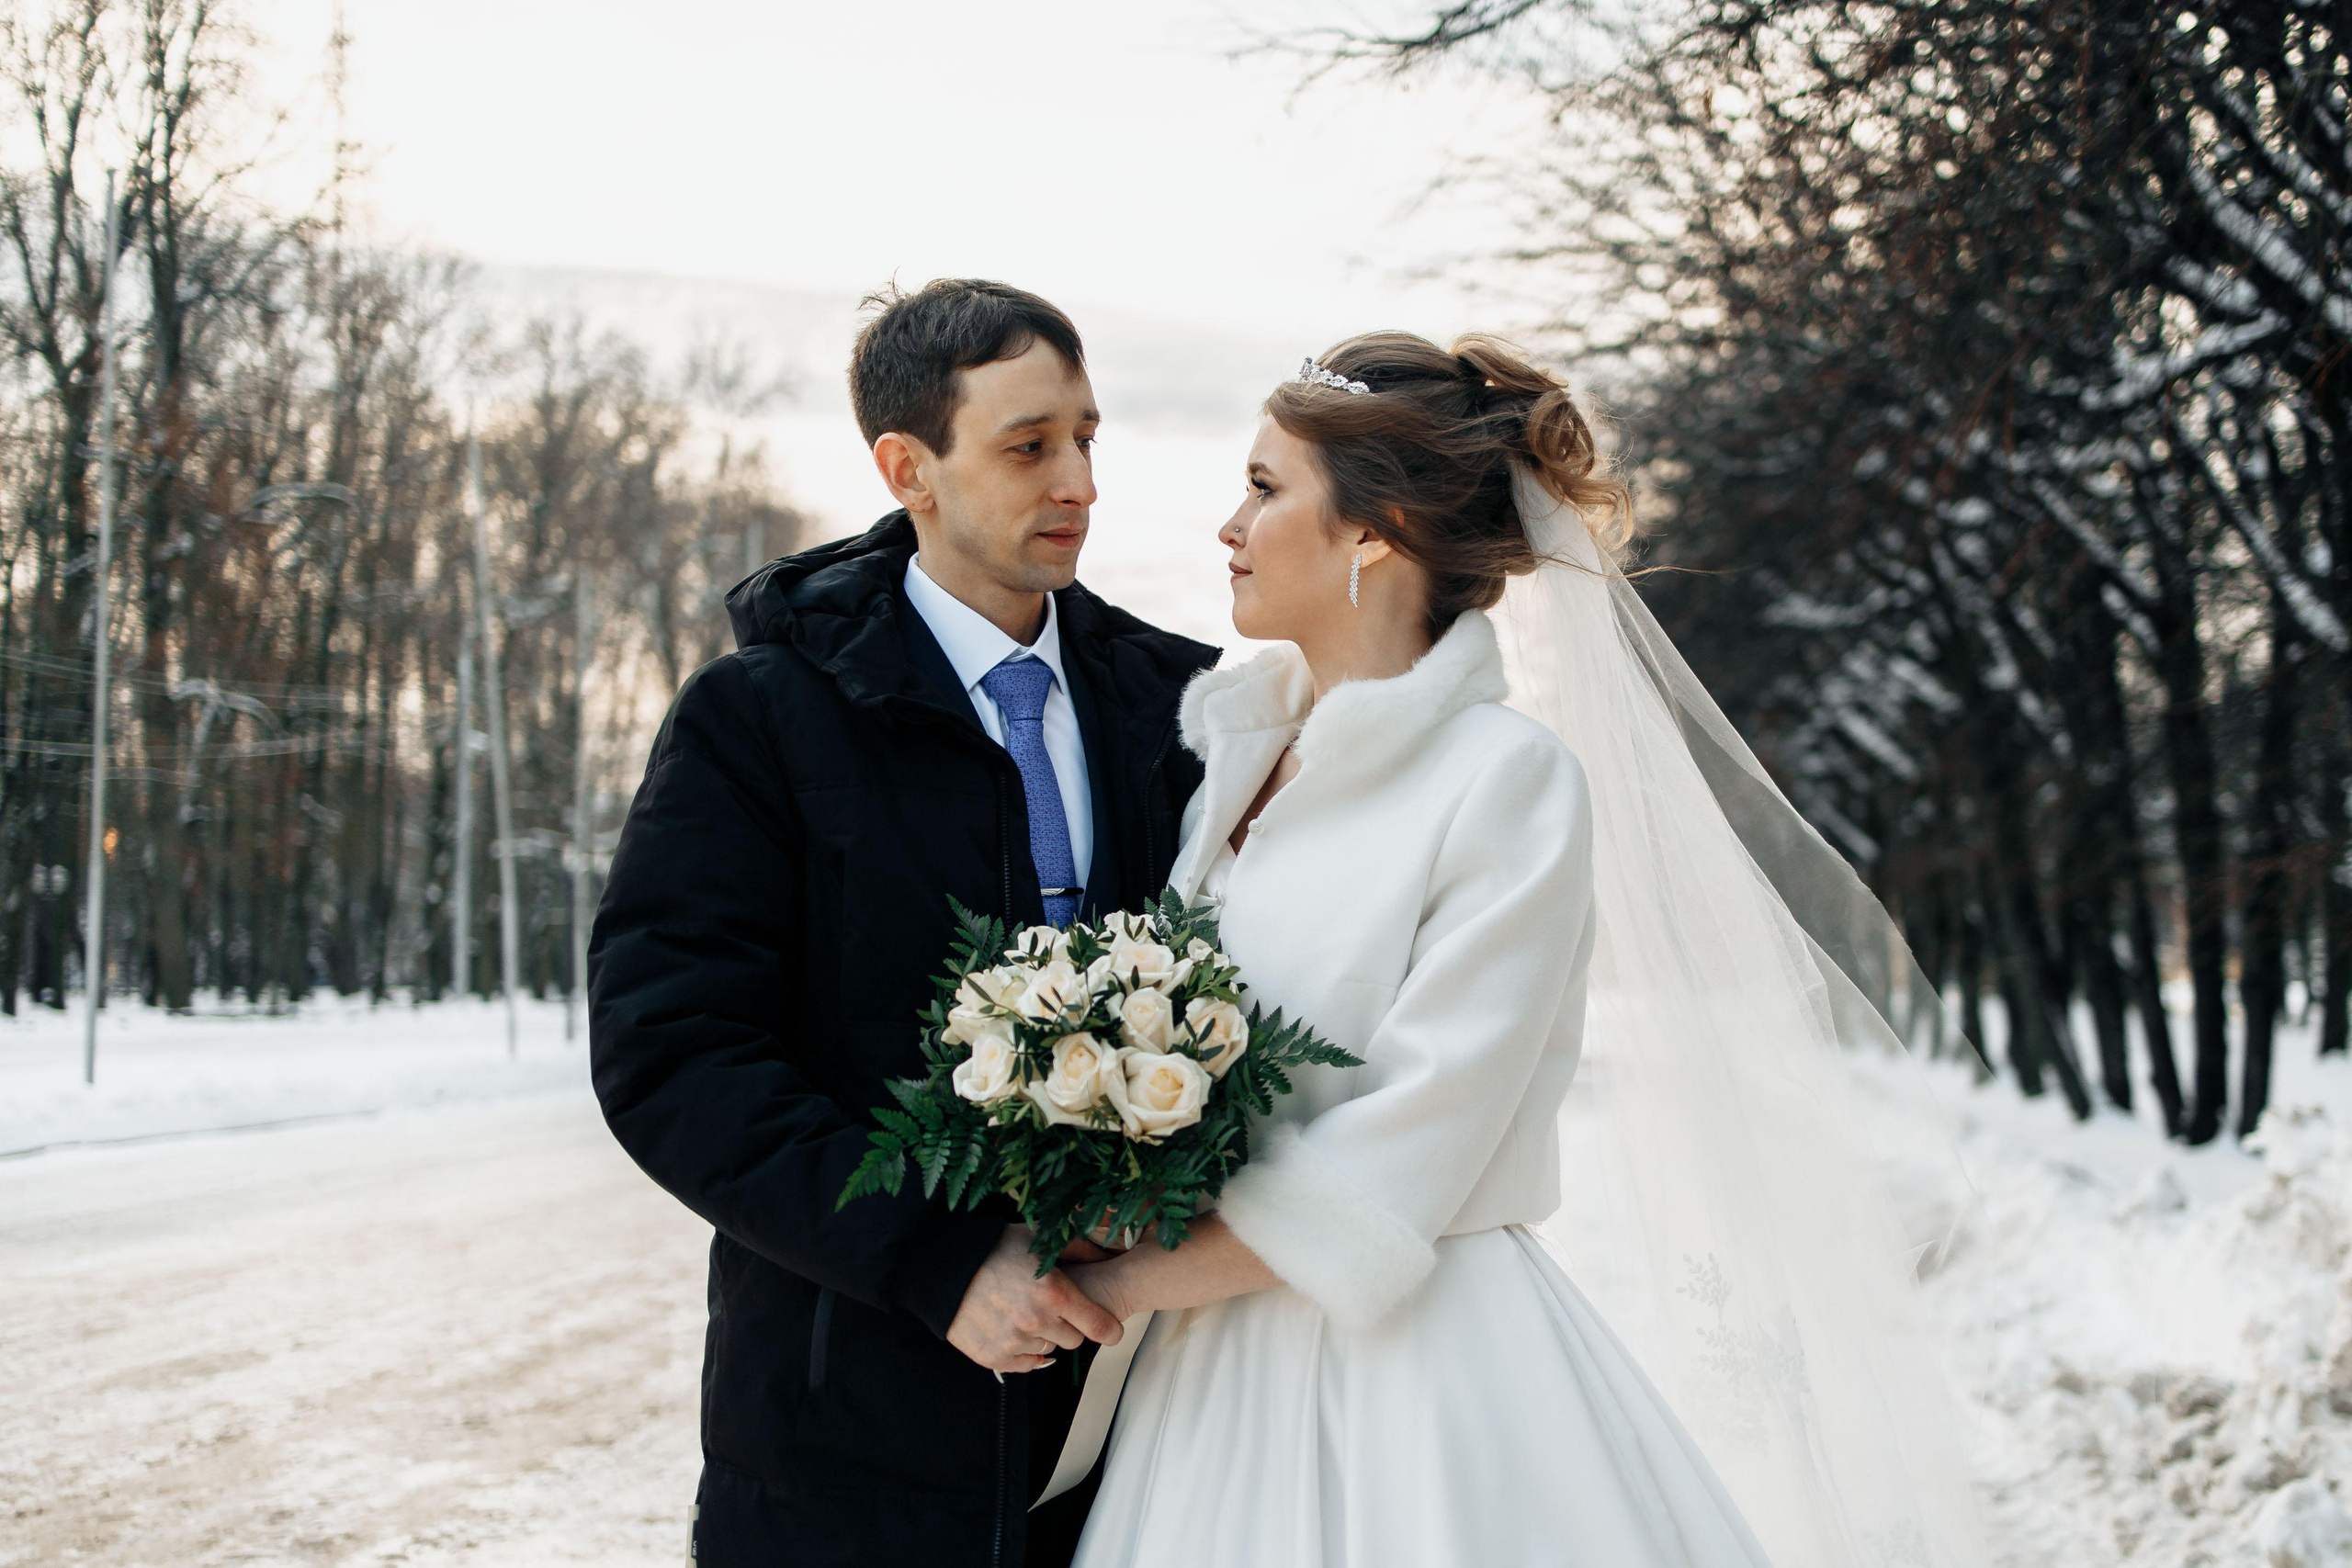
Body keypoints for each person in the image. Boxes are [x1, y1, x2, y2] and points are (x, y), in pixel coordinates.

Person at [1057, 333, 1993, 1567]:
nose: (1230, 526)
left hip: (1410, 1375)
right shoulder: (1228, 762)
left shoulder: (1506, 783)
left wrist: (1119, 1286)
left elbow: (1416, 1140)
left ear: (1376, 531)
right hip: (1203, 1379)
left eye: (1266, 489)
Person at [587, 278, 1219, 1567]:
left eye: (1086, 437)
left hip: (1138, 1439)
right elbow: (673, 1052)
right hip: (841, 1444)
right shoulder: (760, 720)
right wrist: (933, 1261)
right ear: (906, 468)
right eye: (1028, 446)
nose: (1079, 482)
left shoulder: (1185, 708)